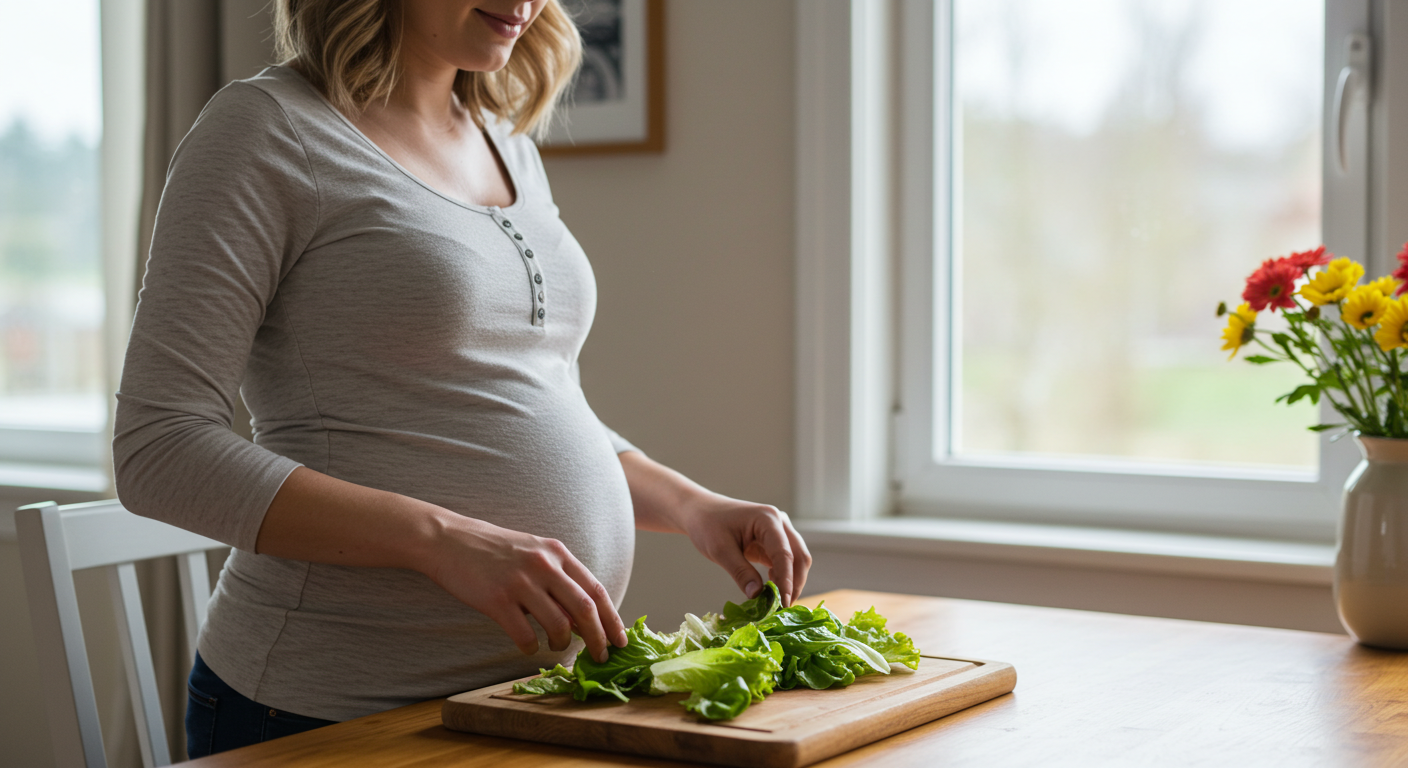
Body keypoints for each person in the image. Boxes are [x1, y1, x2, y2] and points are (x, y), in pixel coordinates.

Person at [113, 0, 811, 757]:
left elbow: (524, 397)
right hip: (326, 709)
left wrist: (693, 506)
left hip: (515, 699)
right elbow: (161, 449)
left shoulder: (505, 139)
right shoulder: (268, 128)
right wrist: (441, 540)